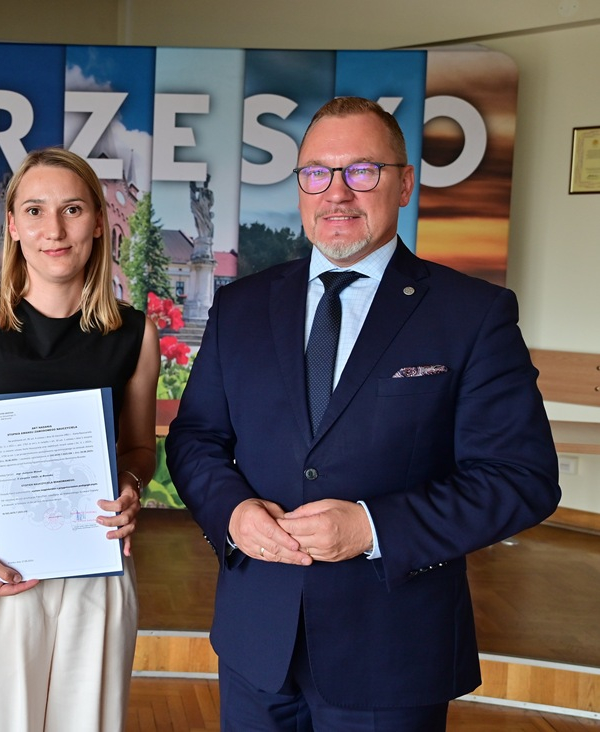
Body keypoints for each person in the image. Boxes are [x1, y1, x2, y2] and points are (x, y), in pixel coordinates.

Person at [165, 97, 561, 731]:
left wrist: (373, 528)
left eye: (362, 171)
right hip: (256, 643)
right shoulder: (240, 307)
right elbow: (196, 439)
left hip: (392, 654)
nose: (337, 192)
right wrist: (233, 515)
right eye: (317, 172)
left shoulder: (472, 314)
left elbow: (522, 478)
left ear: (404, 184)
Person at [0, 147, 160, 731]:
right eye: (34, 210)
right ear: (13, 225)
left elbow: (138, 450)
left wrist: (131, 485)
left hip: (94, 563)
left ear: (98, 222)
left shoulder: (134, 333)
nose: (54, 229)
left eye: (72, 209)